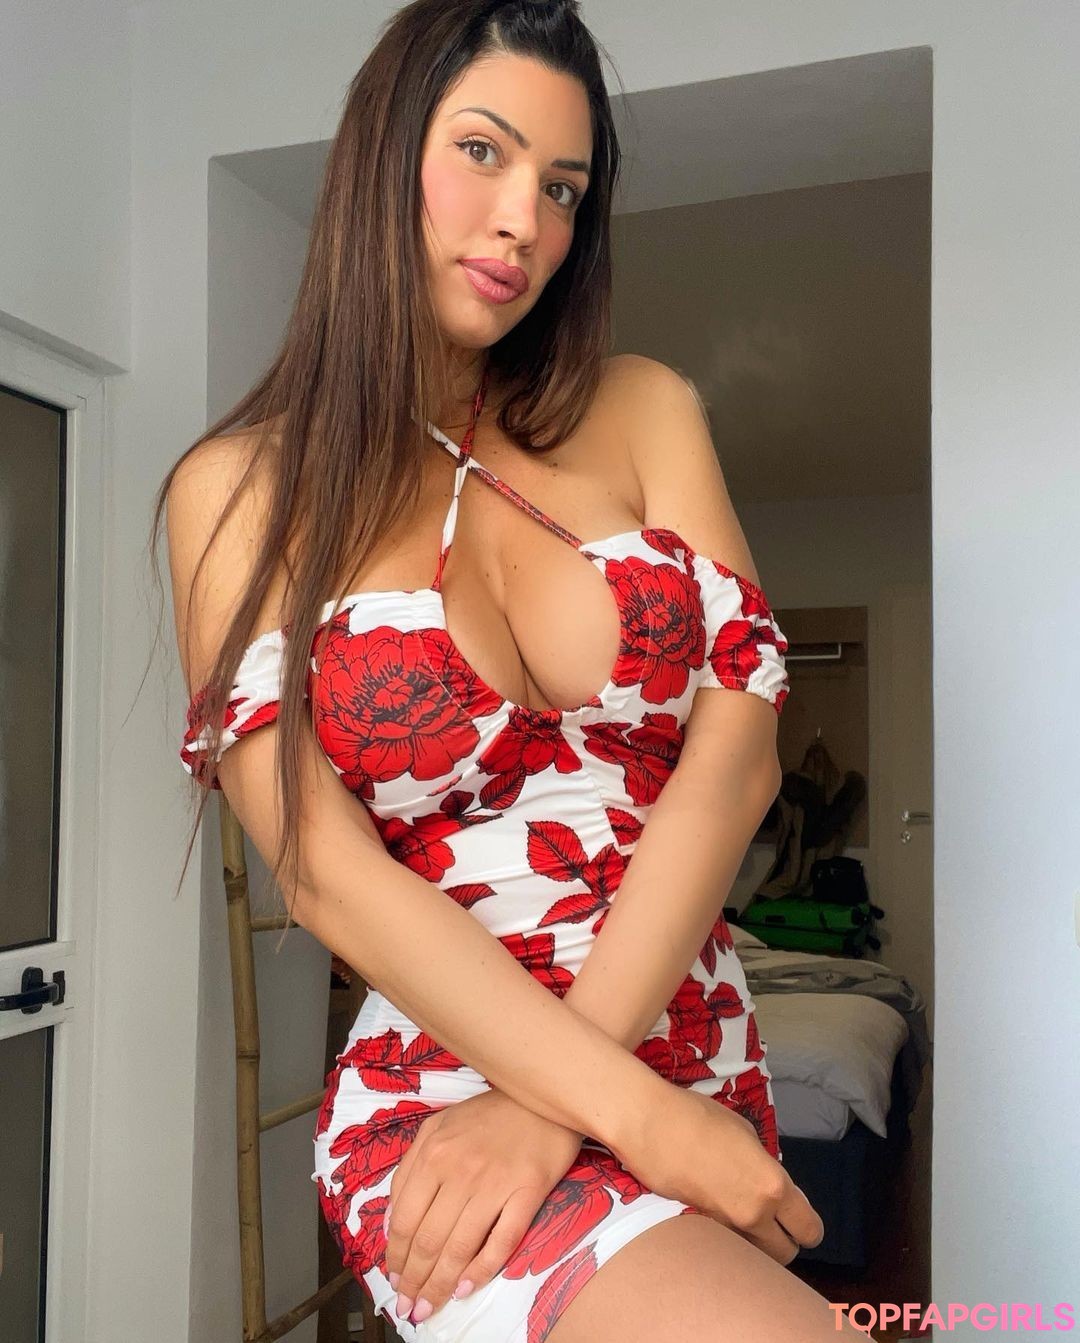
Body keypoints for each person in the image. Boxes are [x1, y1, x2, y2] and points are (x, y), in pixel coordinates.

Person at [155, 2, 869, 1339]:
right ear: (381, 159)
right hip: (447, 1103)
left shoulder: (642, 407)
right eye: (481, 152)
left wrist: (588, 1109)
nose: (523, 223)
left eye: (562, 189)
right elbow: (324, 869)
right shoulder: (238, 491)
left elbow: (737, 758)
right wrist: (621, 1112)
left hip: (687, 1060)